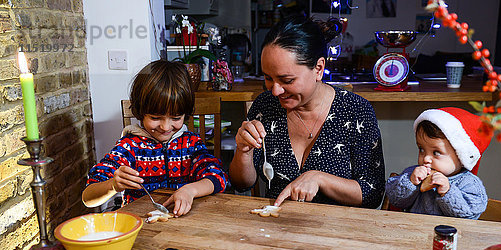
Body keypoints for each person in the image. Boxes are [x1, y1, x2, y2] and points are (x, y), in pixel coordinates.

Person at [229, 16, 385, 208]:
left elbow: (372, 195)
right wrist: (243, 151)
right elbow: (242, 183)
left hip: (339, 231)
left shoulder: (356, 111)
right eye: (268, 78)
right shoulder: (265, 106)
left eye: (287, 80)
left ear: (318, 68)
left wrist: (319, 179)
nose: (275, 90)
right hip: (277, 227)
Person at [82, 60, 228, 217]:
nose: (165, 127)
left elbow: (218, 177)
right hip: (140, 226)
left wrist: (189, 190)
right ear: (140, 111)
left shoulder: (191, 144)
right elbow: (88, 198)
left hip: (185, 225)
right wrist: (113, 185)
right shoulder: (129, 147)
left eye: (176, 117)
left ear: (185, 114)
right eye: (155, 117)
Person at [385, 107, 492, 219]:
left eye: (436, 152)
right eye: (421, 149)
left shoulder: (469, 183)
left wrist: (447, 192)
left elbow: (470, 213)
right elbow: (395, 200)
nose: (426, 158)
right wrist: (410, 183)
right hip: (414, 231)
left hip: (451, 235)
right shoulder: (412, 174)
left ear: (461, 156)